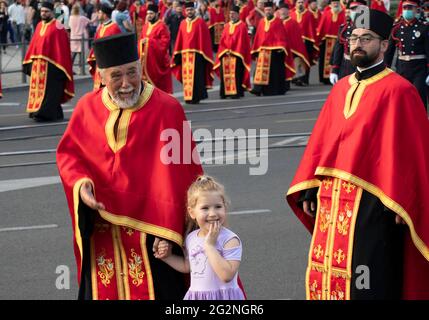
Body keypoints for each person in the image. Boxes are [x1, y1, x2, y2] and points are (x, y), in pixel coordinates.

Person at [286, 9, 429, 300]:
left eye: (367, 38)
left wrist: (404, 201)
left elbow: (413, 154)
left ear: (385, 45)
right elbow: (322, 146)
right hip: (333, 200)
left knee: (368, 273)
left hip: (375, 202)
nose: (357, 44)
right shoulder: (340, 89)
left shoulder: (400, 91)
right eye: (353, 38)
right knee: (331, 270)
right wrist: (311, 190)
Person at [56, 32, 203, 300]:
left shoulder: (167, 109)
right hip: (103, 233)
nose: (126, 84)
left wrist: (173, 231)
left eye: (132, 73)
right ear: (101, 76)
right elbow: (70, 157)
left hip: (154, 238)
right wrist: (81, 185)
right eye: (116, 76)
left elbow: (187, 176)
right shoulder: (86, 108)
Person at [156, 175, 245, 300]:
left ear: (225, 208)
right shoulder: (191, 238)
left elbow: (226, 275)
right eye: (205, 208)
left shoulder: (230, 240)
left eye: (218, 206)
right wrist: (167, 257)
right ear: (192, 212)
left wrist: (209, 246)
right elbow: (188, 266)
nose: (213, 213)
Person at [23, 1, 74, 122]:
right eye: (42, 11)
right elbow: (34, 44)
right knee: (37, 91)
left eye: (46, 11)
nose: (43, 13)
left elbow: (63, 43)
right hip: (38, 65)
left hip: (52, 65)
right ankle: (36, 111)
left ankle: (45, 114)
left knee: (50, 91)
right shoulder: (40, 25)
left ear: (52, 12)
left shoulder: (57, 25)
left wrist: (58, 11)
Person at [385, 0, 429, 110]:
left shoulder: (424, 28)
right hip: (402, 69)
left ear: (416, 9)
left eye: (410, 8)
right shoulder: (397, 28)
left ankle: (420, 124)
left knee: (418, 98)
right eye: (405, 8)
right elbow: (389, 52)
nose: (407, 10)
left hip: (419, 70)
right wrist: (385, 69)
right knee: (401, 99)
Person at [171, 1, 214, 104]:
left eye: (191, 10)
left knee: (197, 77)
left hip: (197, 54)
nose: (189, 11)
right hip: (185, 55)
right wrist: (177, 54)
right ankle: (188, 96)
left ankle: (196, 97)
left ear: (194, 10)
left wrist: (203, 54)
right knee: (187, 78)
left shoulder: (200, 22)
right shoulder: (183, 23)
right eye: (187, 10)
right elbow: (180, 39)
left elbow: (205, 40)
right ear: (185, 11)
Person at [250, 1, 295, 96]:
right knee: (259, 71)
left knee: (273, 72)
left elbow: (282, 36)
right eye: (266, 10)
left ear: (273, 9)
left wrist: (280, 47)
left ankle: (271, 90)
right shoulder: (262, 22)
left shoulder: (278, 21)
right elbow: (258, 36)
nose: (267, 12)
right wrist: (256, 50)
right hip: (262, 51)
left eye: (269, 10)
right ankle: (258, 88)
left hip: (274, 52)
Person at [213, 4, 251, 99]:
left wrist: (234, 50)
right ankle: (225, 92)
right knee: (225, 73)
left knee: (236, 74)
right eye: (230, 13)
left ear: (238, 15)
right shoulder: (226, 26)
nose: (231, 15)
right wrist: (225, 50)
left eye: (233, 13)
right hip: (225, 54)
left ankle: (236, 92)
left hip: (237, 54)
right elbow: (223, 40)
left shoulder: (242, 26)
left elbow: (242, 42)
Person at [329, 0, 368, 84]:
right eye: (352, 9)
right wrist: (335, 69)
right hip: (346, 65)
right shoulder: (344, 28)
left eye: (356, 9)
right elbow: (338, 49)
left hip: (364, 65)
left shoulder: (370, 28)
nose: (353, 12)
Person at [87, 2, 121, 90]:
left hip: (109, 63)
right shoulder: (101, 27)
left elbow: (117, 46)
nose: (98, 14)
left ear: (105, 15)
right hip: (100, 62)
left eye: (99, 12)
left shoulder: (114, 27)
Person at [139, 3, 173, 93]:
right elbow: (141, 41)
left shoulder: (162, 26)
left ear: (157, 14)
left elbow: (165, 43)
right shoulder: (145, 26)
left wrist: (149, 42)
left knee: (159, 88)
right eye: (148, 13)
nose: (149, 16)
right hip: (146, 62)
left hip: (158, 61)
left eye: (151, 14)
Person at [279, 2, 311, 87]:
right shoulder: (277, 22)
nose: (283, 12)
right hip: (280, 48)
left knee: (293, 64)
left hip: (292, 49)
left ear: (288, 11)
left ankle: (293, 80)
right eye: (281, 10)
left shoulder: (293, 22)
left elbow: (296, 37)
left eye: (284, 10)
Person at [316, 0, 345, 84]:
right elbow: (321, 26)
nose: (335, 4)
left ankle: (336, 75)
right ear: (331, 4)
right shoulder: (327, 13)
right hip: (327, 40)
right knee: (325, 59)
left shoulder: (343, 13)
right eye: (333, 3)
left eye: (337, 3)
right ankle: (324, 78)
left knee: (337, 58)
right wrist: (320, 37)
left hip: (339, 40)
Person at [290, 0, 318, 85]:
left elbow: (311, 29)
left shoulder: (309, 14)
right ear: (295, 4)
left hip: (306, 41)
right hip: (294, 42)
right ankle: (296, 77)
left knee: (306, 59)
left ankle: (304, 79)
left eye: (302, 2)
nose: (300, 4)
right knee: (294, 59)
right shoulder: (292, 14)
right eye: (299, 2)